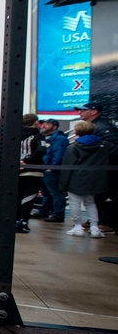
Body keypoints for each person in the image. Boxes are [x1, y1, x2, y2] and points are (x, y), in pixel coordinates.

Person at [60, 120, 109, 238]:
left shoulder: (73, 147)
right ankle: (94, 227)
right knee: (91, 203)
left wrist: (63, 184)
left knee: (75, 203)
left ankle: (77, 227)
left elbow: (68, 167)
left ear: (76, 131)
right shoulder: (103, 145)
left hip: (77, 179)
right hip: (96, 178)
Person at [74, 101, 118, 233]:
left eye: (83, 110)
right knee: (97, 196)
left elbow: (115, 149)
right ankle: (96, 220)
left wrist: (99, 144)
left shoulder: (104, 127)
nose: (80, 112)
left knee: (110, 196)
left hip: (109, 170)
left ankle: (107, 222)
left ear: (94, 111)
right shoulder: (94, 126)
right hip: (99, 170)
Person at [32, 118, 68, 222]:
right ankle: (44, 211)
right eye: (42, 124)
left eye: (47, 124)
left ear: (55, 126)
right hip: (44, 169)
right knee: (46, 193)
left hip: (52, 170)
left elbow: (59, 155)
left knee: (56, 193)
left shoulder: (60, 139)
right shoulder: (46, 138)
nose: (43, 126)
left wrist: (51, 167)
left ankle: (58, 215)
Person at [16, 113, 45, 234]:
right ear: (35, 122)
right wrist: (26, 161)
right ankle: (23, 221)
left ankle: (16, 220)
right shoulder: (38, 136)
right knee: (29, 196)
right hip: (33, 170)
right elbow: (42, 150)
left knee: (17, 196)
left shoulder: (15, 134)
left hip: (15, 170)